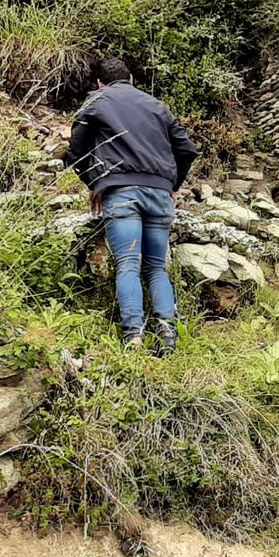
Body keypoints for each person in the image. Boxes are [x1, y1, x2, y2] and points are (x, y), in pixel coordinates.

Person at [65, 56, 197, 353]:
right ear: (132, 79)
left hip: (122, 192)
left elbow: (76, 153)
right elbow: (187, 150)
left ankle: (134, 336)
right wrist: (172, 186)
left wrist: (97, 183)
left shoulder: (96, 101)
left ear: (99, 82)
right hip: (160, 194)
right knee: (156, 267)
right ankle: (167, 334)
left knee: (128, 263)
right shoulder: (157, 105)